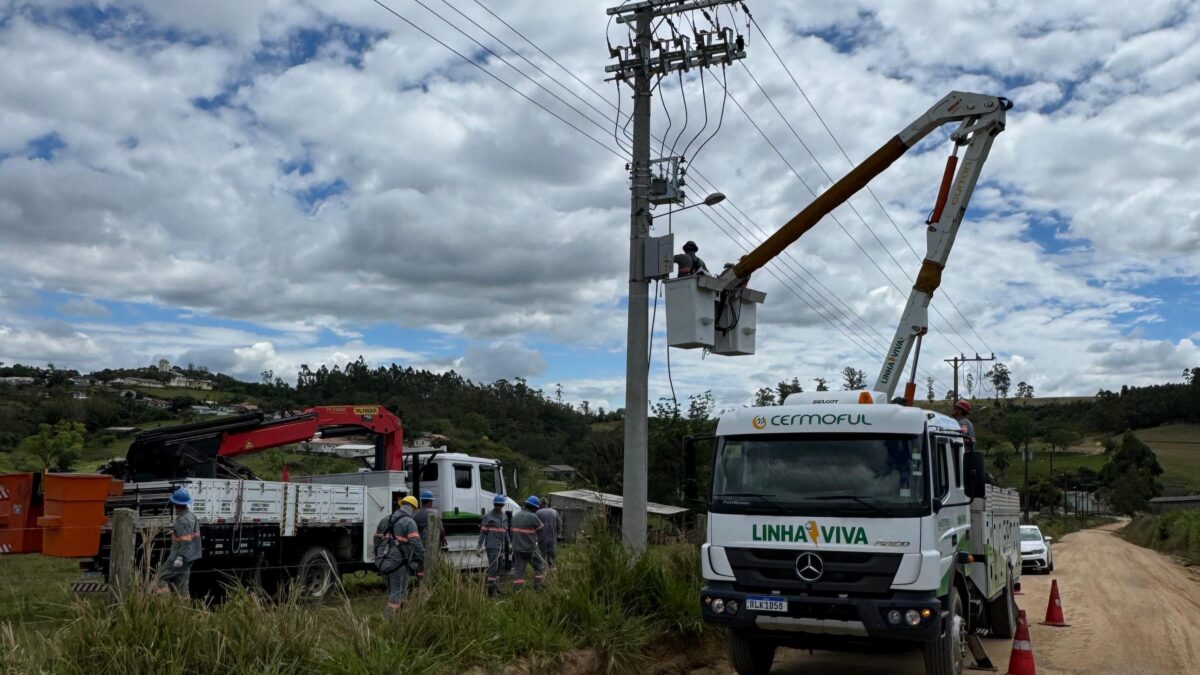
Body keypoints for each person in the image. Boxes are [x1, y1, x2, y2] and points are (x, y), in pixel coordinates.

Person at [373, 495, 424, 616]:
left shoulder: (385, 519)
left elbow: (376, 539)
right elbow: (416, 544)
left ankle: (398, 617)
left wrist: (379, 556)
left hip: (382, 563)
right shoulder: (409, 522)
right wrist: (426, 557)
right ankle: (391, 620)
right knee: (398, 592)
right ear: (413, 509)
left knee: (392, 591)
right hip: (398, 564)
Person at [155, 488, 202, 599]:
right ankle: (183, 605)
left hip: (181, 556)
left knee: (160, 577)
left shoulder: (182, 520)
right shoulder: (191, 515)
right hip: (190, 556)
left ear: (176, 504)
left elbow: (185, 541)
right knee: (182, 584)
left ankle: (164, 603)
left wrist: (179, 558)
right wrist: (175, 532)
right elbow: (189, 534)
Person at [509, 496, 545, 591]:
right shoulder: (533, 517)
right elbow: (541, 530)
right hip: (529, 548)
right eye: (536, 508)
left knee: (519, 571)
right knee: (539, 566)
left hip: (517, 548)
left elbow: (511, 532)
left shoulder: (515, 516)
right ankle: (538, 587)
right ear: (533, 507)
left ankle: (517, 591)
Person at [477, 494, 509, 596]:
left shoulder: (504, 516)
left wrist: (509, 544)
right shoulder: (488, 517)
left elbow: (506, 532)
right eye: (497, 505)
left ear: (502, 505)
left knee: (499, 568)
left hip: (501, 546)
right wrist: (479, 546)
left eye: (500, 505)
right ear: (494, 505)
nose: (498, 507)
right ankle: (491, 591)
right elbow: (483, 533)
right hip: (492, 546)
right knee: (493, 568)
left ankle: (496, 588)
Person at [535, 495, 561, 569]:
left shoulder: (538, 512)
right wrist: (557, 533)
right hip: (552, 538)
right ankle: (552, 572)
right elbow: (559, 524)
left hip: (541, 539)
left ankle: (543, 572)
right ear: (547, 503)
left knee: (542, 557)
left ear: (540, 504)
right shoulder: (554, 511)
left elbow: (534, 525)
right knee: (552, 557)